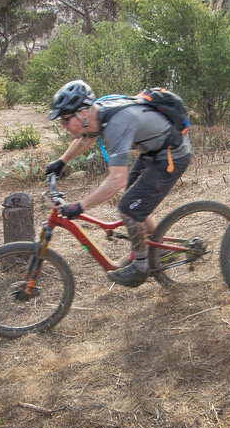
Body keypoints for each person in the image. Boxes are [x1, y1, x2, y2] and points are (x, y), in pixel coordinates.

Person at [43, 79, 192, 288]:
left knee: (128, 208)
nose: (63, 125)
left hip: (172, 155)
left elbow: (116, 180)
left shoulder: (117, 124)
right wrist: (61, 162)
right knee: (133, 200)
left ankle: (140, 267)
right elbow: (87, 138)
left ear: (83, 113)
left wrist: (80, 206)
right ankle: (162, 249)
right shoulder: (96, 115)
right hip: (153, 150)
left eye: (66, 120)